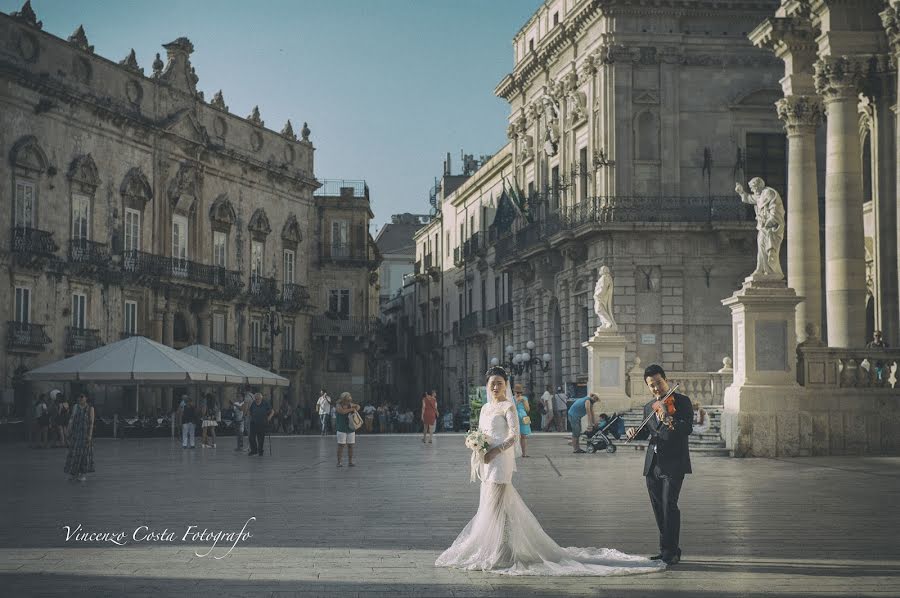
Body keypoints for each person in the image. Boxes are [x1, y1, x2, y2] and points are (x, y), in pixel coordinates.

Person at [435, 365, 664, 575]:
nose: (495, 387)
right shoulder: (486, 407)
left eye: (499, 383)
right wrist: (477, 444)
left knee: (494, 506)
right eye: (492, 383)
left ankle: (498, 551)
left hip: (499, 460)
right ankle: (503, 548)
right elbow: (483, 432)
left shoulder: (507, 406)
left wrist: (495, 451)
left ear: (505, 384)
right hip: (486, 460)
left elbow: (514, 435)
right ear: (487, 386)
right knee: (497, 506)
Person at [626, 364, 693, 566]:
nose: (656, 388)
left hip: (674, 462)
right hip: (653, 464)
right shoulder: (649, 407)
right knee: (658, 508)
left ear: (666, 380)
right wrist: (634, 432)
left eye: (659, 383)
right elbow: (648, 432)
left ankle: (672, 551)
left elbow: (687, 428)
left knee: (669, 505)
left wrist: (668, 418)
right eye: (652, 385)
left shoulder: (681, 402)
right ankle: (666, 549)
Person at [64, 393, 95, 482]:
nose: (80, 398)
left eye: (82, 397)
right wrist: (68, 431)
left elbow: (91, 423)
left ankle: (82, 474)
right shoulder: (75, 407)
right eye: (79, 397)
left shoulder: (90, 409)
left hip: (85, 435)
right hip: (76, 434)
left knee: (84, 455)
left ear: (86, 398)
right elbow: (72, 419)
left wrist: (89, 435)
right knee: (73, 454)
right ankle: (73, 473)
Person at [335, 392, 361, 467]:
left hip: (350, 428)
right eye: (347, 400)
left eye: (349, 400)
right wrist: (352, 409)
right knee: (341, 445)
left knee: (350, 445)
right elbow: (342, 412)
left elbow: (358, 406)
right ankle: (339, 462)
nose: (348, 402)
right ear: (343, 400)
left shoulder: (350, 405)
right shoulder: (338, 405)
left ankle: (350, 461)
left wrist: (356, 407)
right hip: (341, 428)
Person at [248, 392, 273, 456]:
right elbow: (250, 411)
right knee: (251, 437)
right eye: (256, 399)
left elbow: (272, 411)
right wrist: (250, 417)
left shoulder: (265, 403)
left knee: (261, 438)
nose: (256, 400)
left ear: (261, 398)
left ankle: (260, 450)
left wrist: (269, 417)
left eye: (258, 399)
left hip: (262, 423)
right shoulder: (253, 403)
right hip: (253, 423)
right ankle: (254, 450)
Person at [513, 384, 532, 457]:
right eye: (517, 392)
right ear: (514, 392)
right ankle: (514, 453)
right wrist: (517, 401)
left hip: (523, 417)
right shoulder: (512, 398)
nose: (519, 394)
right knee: (514, 436)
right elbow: (512, 408)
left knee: (523, 436)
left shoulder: (524, 398)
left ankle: (524, 453)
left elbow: (527, 409)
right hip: (515, 416)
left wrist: (524, 401)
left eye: (520, 392)